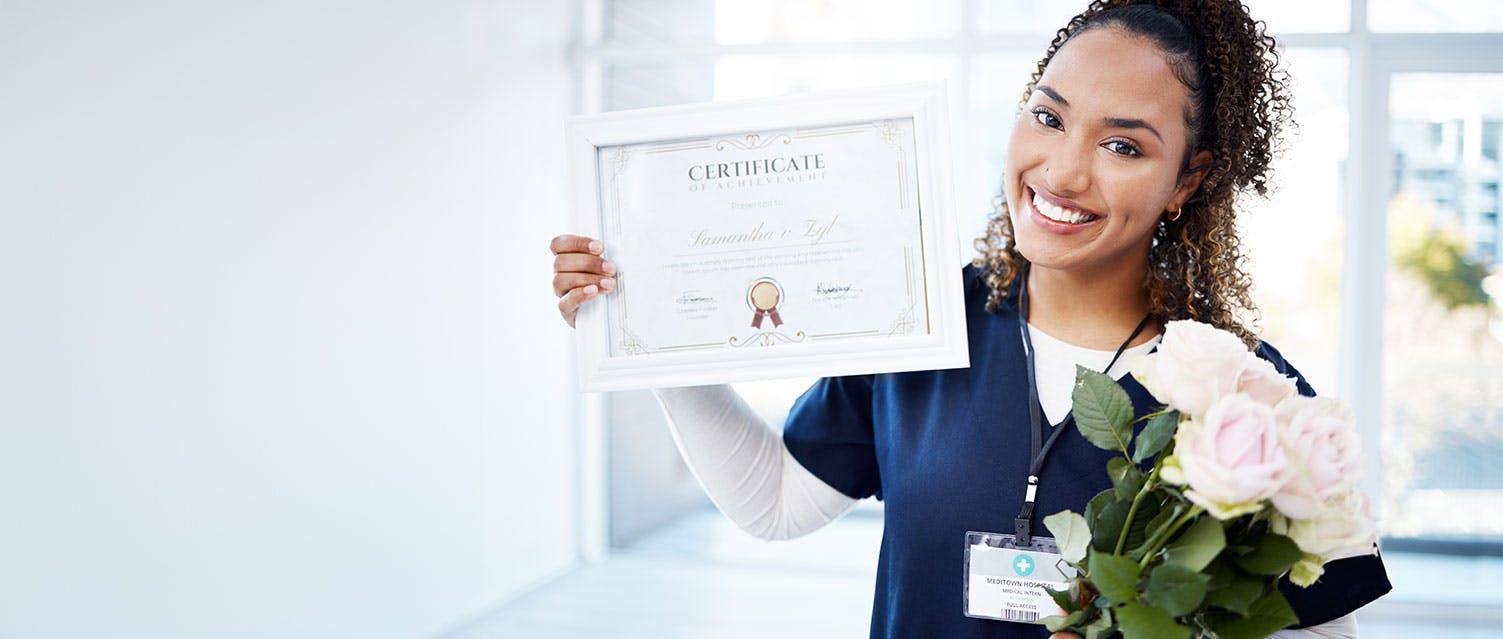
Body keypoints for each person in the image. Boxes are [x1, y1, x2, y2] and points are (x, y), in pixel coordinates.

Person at [549, 1, 1391, 637]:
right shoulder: (917, 317)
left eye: (1122, 145)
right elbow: (773, 501)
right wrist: (649, 328)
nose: (1060, 171)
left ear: (1186, 179)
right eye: (1049, 116)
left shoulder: (1243, 398)